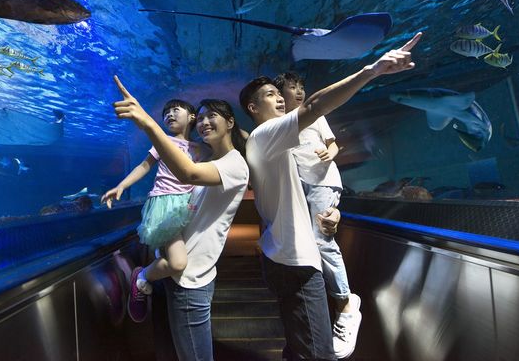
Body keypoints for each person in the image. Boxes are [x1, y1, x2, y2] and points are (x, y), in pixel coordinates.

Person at [240, 33, 422, 360]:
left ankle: (341, 306)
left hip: (283, 257)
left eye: (278, 92)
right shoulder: (266, 134)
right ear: (253, 108)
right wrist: (372, 70)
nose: (280, 98)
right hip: (294, 262)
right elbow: (315, 105)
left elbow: (304, 189)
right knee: (317, 353)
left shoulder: (278, 144)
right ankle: (346, 302)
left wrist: (335, 210)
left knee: (300, 345)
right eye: (270, 95)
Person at [112, 76, 249, 361]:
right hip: (178, 257)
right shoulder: (211, 158)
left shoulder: (229, 164)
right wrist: (123, 185)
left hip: (192, 278)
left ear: (230, 122)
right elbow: (151, 166)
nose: (204, 122)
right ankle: (146, 276)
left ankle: (143, 276)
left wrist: (149, 123)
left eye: (212, 116)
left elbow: (188, 173)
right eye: (200, 117)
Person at [274, 71, 361, 359]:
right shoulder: (281, 122)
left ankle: (346, 304)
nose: (298, 92)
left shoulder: (312, 113)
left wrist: (330, 152)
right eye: (292, 88)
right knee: (309, 244)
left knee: (322, 240)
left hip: (323, 179)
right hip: (302, 184)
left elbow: (333, 142)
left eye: (301, 87)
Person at [102, 98, 199, 323]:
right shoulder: (162, 141)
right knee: (177, 262)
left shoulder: (199, 148)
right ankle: (141, 278)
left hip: (189, 204)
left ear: (192, 116)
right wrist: (122, 185)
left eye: (176, 109)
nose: (170, 114)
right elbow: (143, 166)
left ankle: (154, 270)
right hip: (165, 205)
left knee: (179, 258)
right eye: (166, 112)